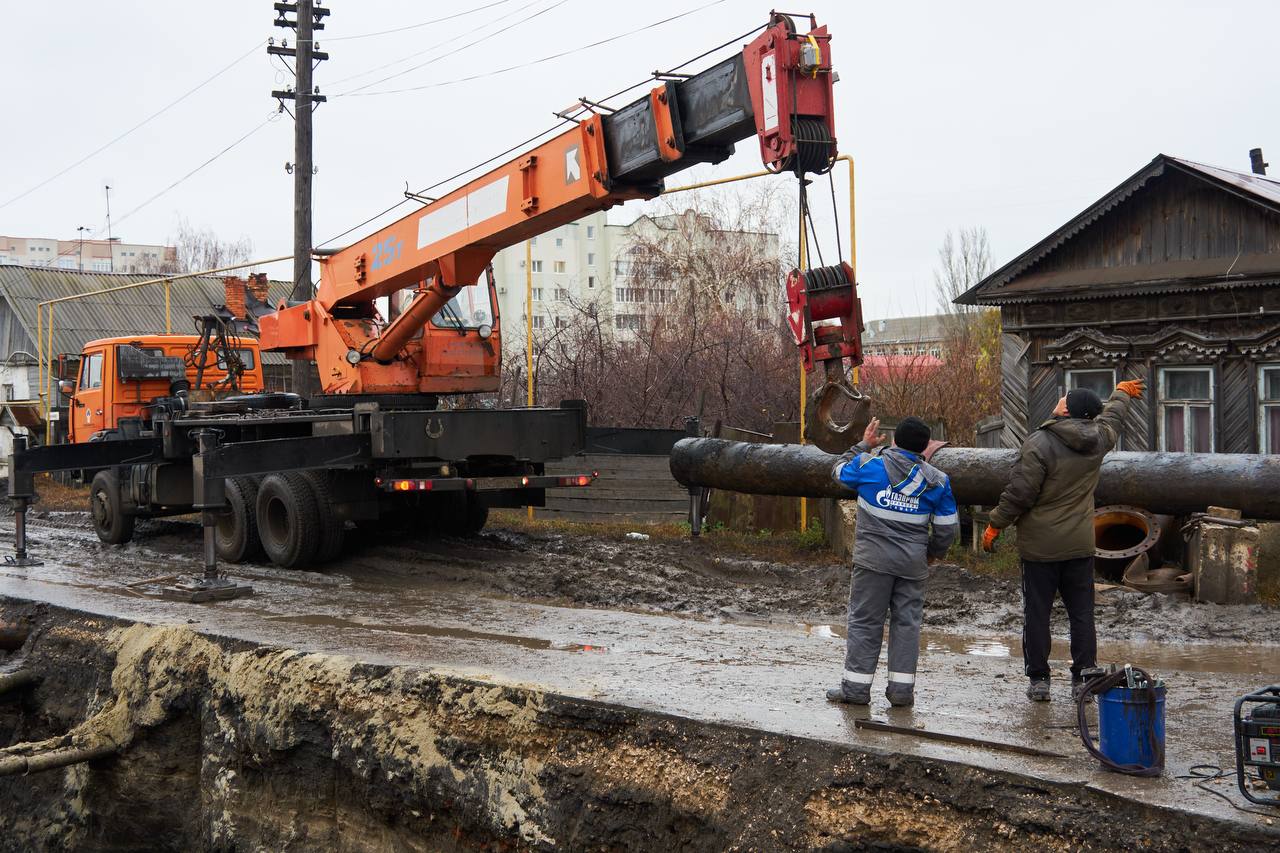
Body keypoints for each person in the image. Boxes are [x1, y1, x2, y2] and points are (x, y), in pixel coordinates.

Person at [982, 379, 1145, 702]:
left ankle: (1040, 680)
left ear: (1066, 410)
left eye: (1063, 398)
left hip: (1040, 548)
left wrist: (995, 525)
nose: (1058, 399)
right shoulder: (1099, 440)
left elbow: (1020, 494)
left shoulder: (1039, 443)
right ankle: (1083, 677)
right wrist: (1122, 394)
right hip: (1079, 545)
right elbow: (1112, 417)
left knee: (1038, 613)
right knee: (1081, 613)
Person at [826, 415, 960, 707]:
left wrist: (863, 444)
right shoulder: (937, 481)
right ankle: (901, 693)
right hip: (912, 565)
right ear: (925, 448)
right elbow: (948, 528)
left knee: (864, 622)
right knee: (907, 625)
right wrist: (932, 554)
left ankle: (855, 690)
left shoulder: (869, 466)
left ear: (895, 440)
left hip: (872, 563)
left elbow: (836, 470)